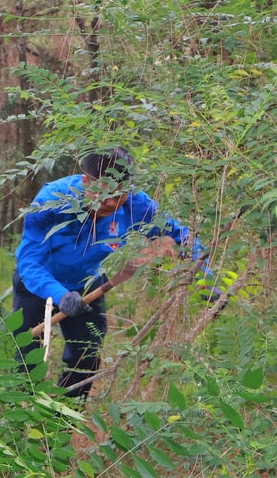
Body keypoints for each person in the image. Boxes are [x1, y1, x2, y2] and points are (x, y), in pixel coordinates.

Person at [12, 146, 200, 402]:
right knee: (27, 356)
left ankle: (61, 423)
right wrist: (59, 294)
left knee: (86, 356)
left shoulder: (137, 205)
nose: (111, 203)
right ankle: (20, 421)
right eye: (103, 192)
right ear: (86, 180)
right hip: (39, 285)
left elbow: (183, 237)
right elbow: (29, 261)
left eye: (119, 195)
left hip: (88, 283)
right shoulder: (52, 201)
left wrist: (206, 276)